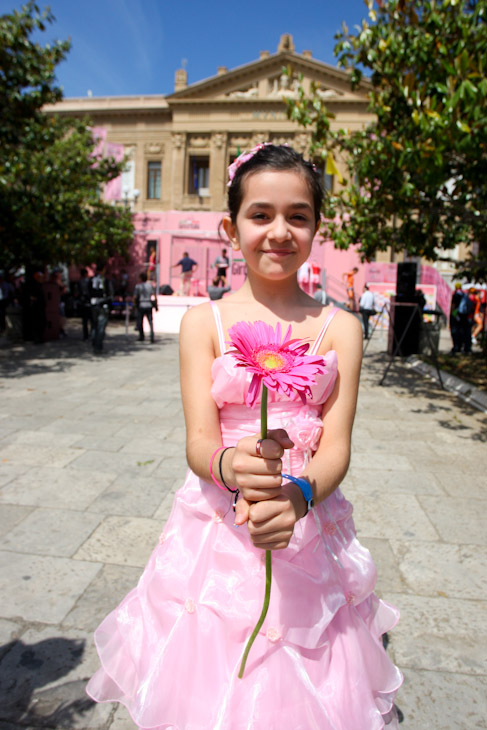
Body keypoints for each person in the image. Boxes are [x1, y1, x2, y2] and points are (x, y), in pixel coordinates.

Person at [86, 144, 402, 728]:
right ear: (231, 228)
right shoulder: (204, 324)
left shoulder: (342, 330)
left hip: (305, 525)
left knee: (307, 674)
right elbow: (198, 440)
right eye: (261, 215)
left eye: (297, 216)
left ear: (315, 227)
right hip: (216, 531)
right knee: (212, 675)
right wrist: (230, 465)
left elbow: (336, 446)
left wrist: (301, 495)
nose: (279, 231)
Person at [134, 271, 157, 342]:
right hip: (149, 304)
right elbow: (154, 295)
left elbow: (135, 296)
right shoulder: (150, 285)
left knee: (140, 321)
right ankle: (152, 336)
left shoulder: (138, 286)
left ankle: (141, 336)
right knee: (150, 321)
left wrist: (134, 304)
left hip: (141, 305)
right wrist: (155, 304)